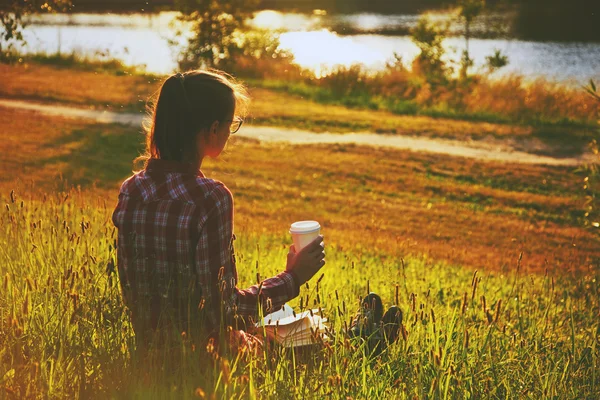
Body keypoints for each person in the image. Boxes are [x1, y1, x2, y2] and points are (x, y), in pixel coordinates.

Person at [112, 70, 326, 353]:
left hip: (151, 349)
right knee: (308, 338)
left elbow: (134, 293)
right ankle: (363, 333)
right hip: (209, 355)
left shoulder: (132, 190)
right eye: (231, 123)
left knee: (280, 327)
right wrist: (293, 277)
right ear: (213, 129)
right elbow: (226, 311)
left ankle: (356, 329)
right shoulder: (210, 199)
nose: (229, 131)